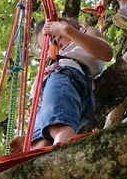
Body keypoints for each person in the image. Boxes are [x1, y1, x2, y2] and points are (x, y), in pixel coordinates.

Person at [12, 17, 111, 153]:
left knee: (57, 125)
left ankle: (62, 153)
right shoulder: (53, 62)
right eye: (47, 46)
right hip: (44, 100)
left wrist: (67, 31)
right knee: (39, 140)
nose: (55, 45)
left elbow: (106, 53)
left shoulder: (83, 35)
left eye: (57, 37)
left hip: (65, 78)